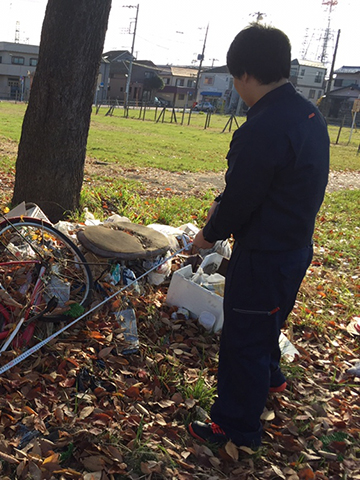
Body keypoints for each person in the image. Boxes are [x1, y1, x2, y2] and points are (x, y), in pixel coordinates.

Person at [189, 24, 330, 447]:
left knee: (244, 339)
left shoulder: (262, 127)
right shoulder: (308, 115)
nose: (237, 89)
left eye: (234, 79)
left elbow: (242, 198)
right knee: (270, 318)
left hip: (264, 254)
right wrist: (226, 201)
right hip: (294, 247)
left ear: (246, 75)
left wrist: (207, 235)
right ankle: (272, 378)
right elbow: (267, 182)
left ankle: (235, 426)